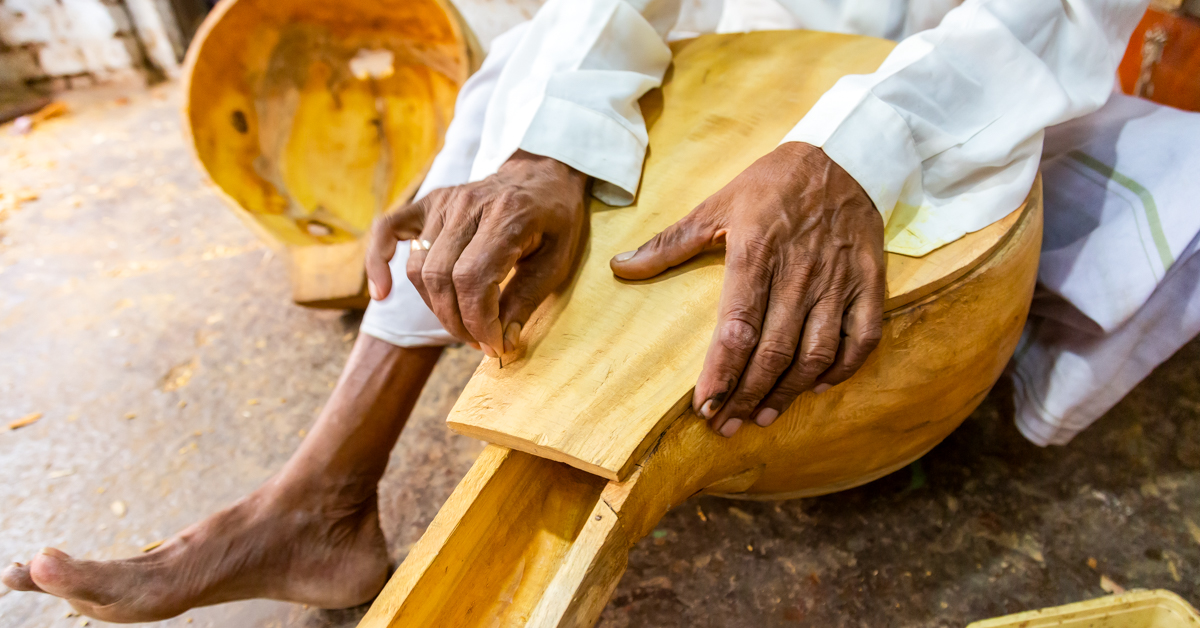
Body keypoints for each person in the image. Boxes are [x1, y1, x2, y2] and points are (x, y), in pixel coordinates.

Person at [4, 0, 1181, 621]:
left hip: (980, 52)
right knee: (528, 93)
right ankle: (323, 494)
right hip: (762, 22)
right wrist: (553, 142)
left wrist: (864, 153)